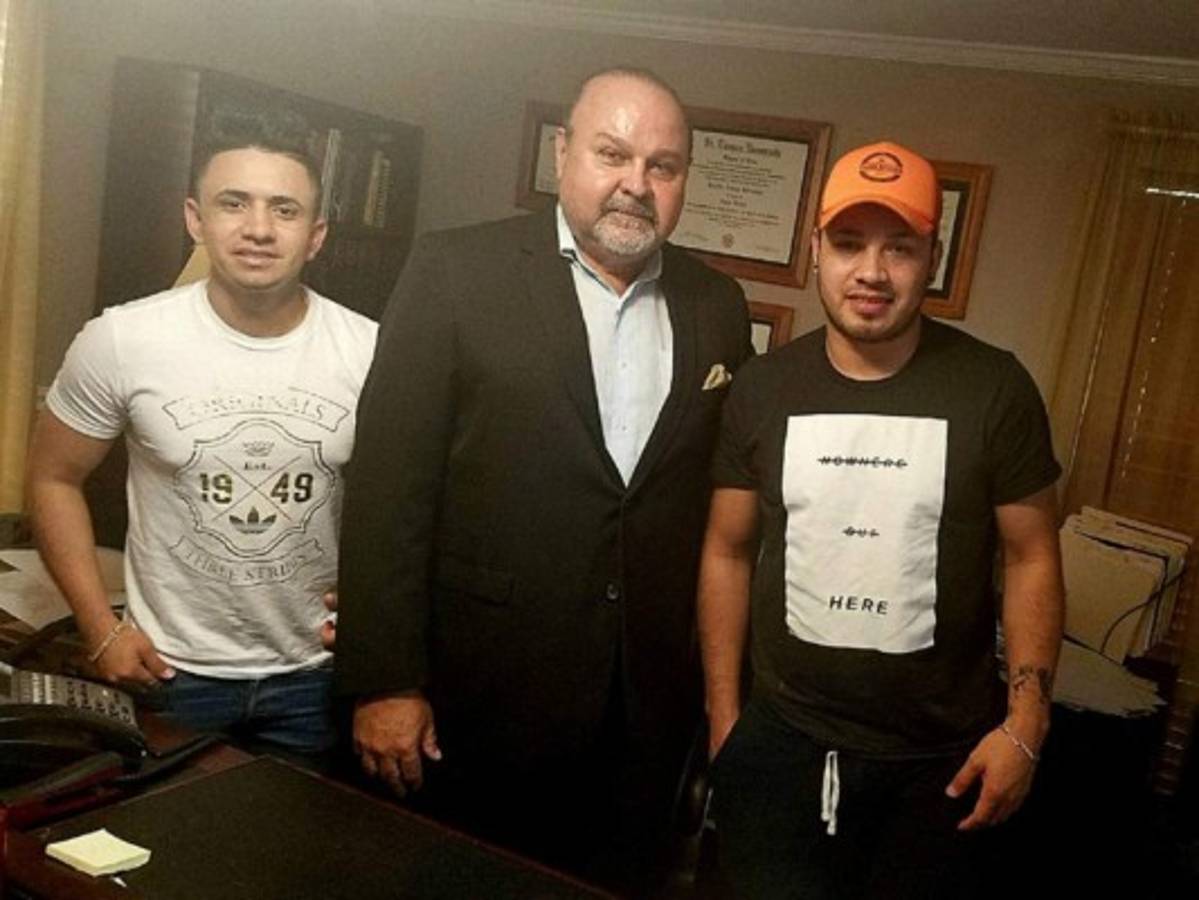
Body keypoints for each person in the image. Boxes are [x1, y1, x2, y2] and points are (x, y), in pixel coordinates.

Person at [333, 67, 751, 890]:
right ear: (563, 154)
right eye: (612, 154)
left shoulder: (715, 304)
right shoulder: (455, 270)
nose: (636, 183)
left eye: (662, 166)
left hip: (643, 716)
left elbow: (707, 506)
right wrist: (384, 681)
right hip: (476, 700)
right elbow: (388, 488)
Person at [697, 141, 1064, 899]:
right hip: (780, 747)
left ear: (933, 258)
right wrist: (725, 719)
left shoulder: (994, 388)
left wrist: (1027, 727)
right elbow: (727, 551)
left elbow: (1032, 556)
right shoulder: (762, 388)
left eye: (899, 247)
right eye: (848, 243)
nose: (871, 271)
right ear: (815, 250)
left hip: (940, 765)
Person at [26, 110, 377, 760]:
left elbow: (411, 505)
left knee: (301, 830)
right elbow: (52, 478)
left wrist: (380, 609)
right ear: (195, 219)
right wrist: (100, 629)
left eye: (284, 209)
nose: (258, 229)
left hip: (315, 677)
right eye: (233, 203)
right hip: (167, 672)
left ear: (316, 235)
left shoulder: (371, 351)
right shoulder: (122, 340)